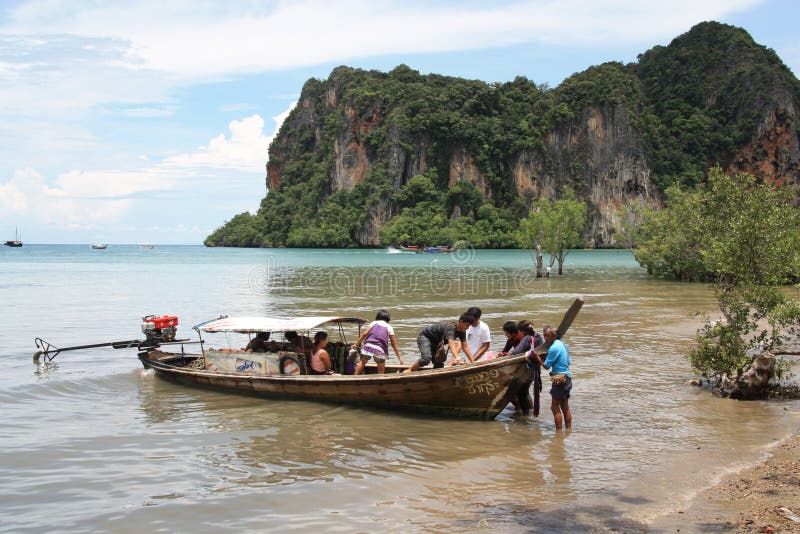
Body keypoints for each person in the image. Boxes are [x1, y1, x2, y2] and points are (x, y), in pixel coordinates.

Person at [528, 326, 572, 430]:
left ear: (553, 335)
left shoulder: (553, 348)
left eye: (548, 335)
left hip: (559, 379)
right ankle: (568, 430)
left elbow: (546, 366)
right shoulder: (562, 344)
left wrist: (537, 356)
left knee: (554, 407)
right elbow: (568, 362)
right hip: (567, 377)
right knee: (565, 407)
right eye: (544, 335)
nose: (546, 338)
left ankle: (558, 433)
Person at [403, 313, 473, 373]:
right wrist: (458, 359)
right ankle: (410, 370)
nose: (468, 327)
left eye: (469, 326)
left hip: (436, 342)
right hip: (425, 337)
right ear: (461, 321)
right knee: (426, 359)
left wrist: (473, 362)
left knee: (439, 364)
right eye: (467, 325)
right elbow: (451, 344)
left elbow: (465, 346)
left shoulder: (462, 331)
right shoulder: (451, 328)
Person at [353, 309, 404, 375]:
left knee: (362, 362)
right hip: (380, 350)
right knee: (380, 367)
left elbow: (364, 334)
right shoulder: (389, 327)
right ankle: (380, 380)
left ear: (377, 317)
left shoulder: (374, 323)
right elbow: (393, 343)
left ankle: (355, 376)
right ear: (388, 319)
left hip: (368, 347)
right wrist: (399, 358)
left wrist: (356, 345)